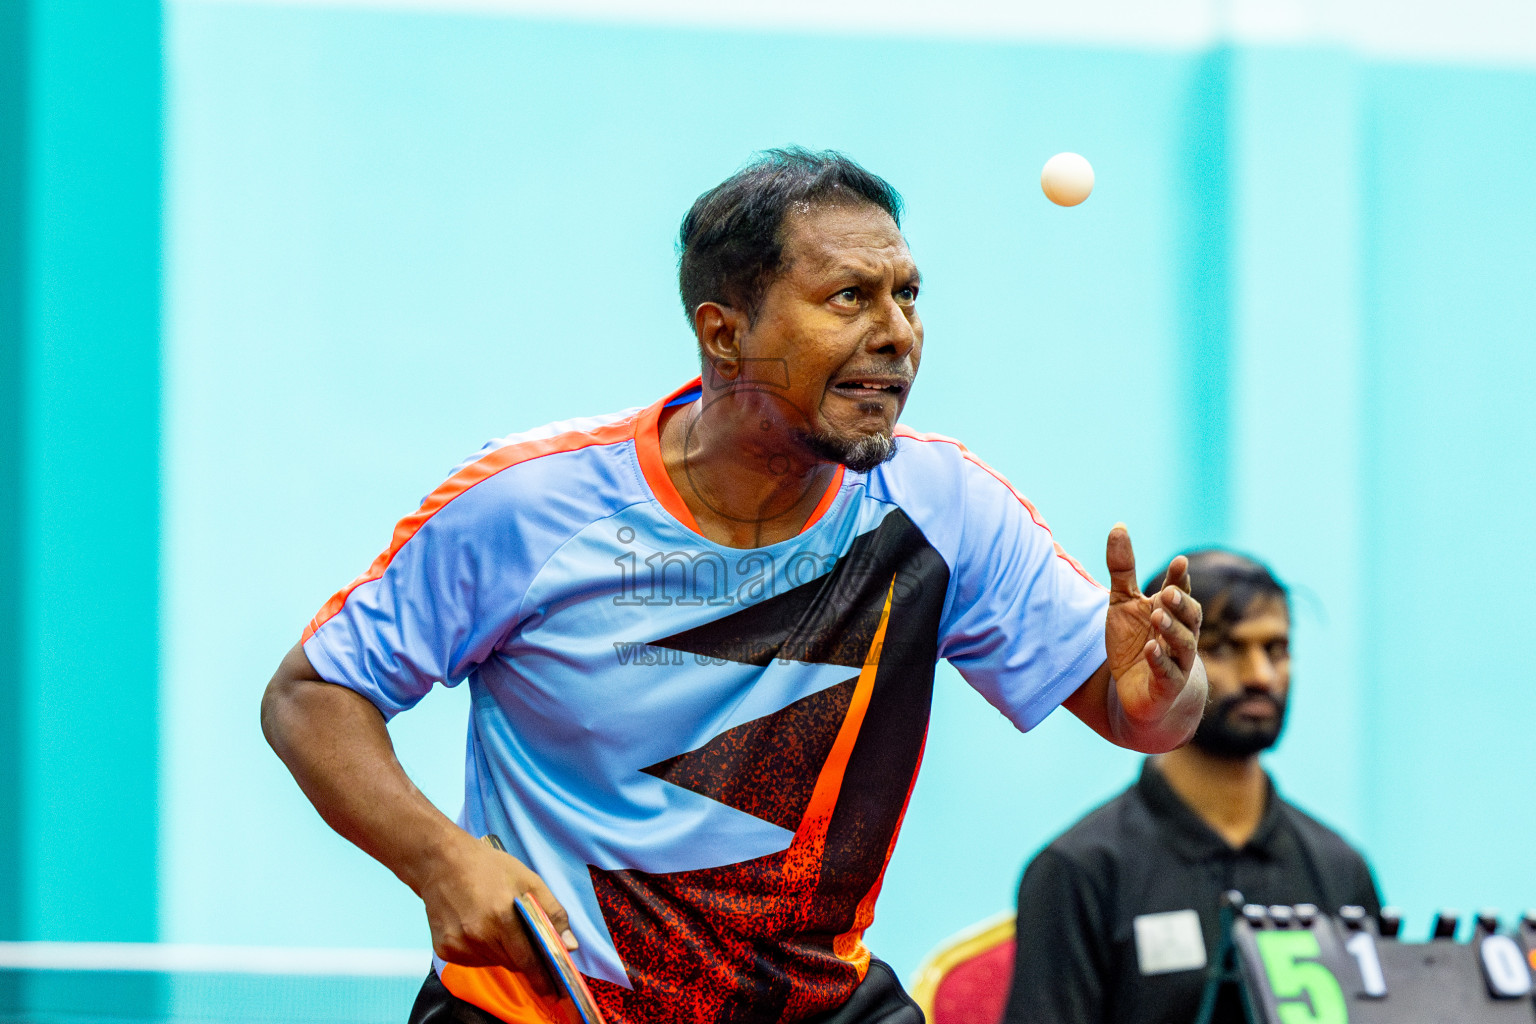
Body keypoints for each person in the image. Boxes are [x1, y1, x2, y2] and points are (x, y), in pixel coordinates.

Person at [260, 148, 1209, 1024]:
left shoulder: (941, 504)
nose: (898, 336)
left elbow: (1143, 723)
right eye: (849, 297)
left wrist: (1162, 693)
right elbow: (312, 695)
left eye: (908, 296)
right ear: (724, 333)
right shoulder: (529, 507)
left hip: (812, 1004)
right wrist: (440, 861)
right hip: (539, 1007)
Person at [1003, 549, 1382, 1024]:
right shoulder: (1079, 872)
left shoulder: (1341, 870)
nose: (1260, 676)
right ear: (1161, 657)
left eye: (1276, 649)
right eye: (1223, 648)